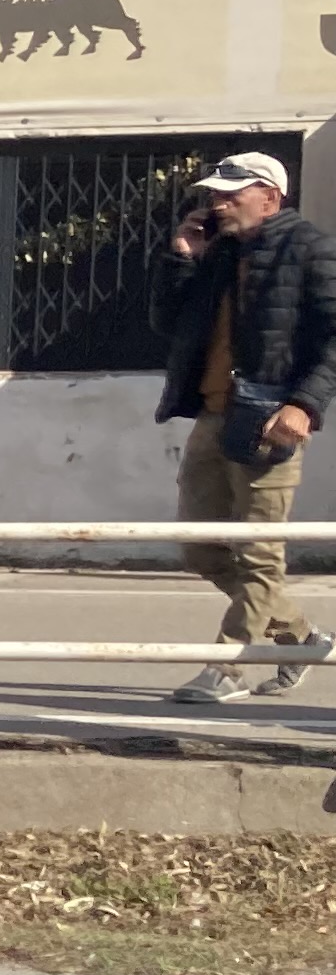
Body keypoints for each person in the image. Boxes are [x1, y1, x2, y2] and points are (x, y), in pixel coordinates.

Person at [151, 148, 336, 705]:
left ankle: (228, 667)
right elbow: (168, 325)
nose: (218, 203)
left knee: (257, 555)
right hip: (213, 414)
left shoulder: (311, 249)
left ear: (270, 196)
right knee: (200, 548)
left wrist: (304, 404)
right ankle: (299, 636)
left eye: (232, 193)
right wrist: (183, 258)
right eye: (214, 194)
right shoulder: (218, 252)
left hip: (269, 419)